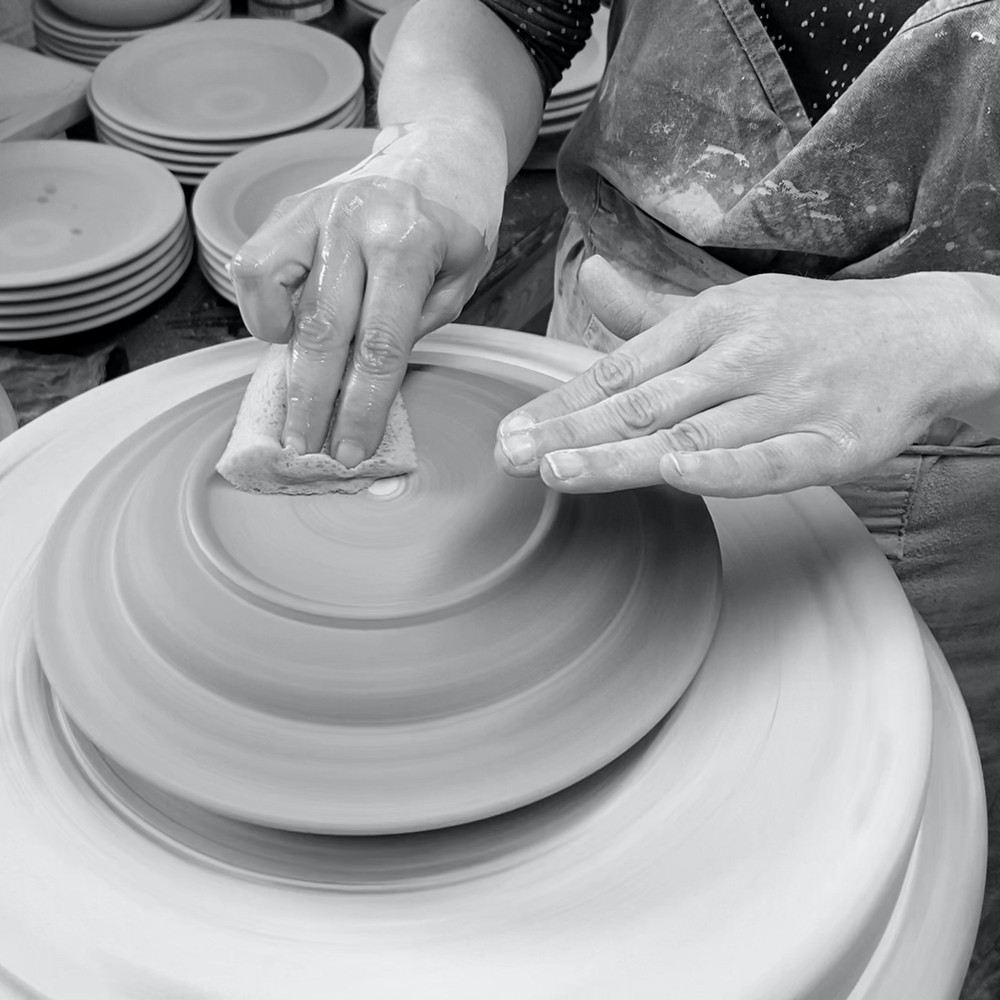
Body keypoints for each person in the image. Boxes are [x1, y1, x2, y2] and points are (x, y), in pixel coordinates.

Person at [229, 0, 1000, 994]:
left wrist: (961, 327)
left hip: (941, 438)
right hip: (607, 355)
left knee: (839, 897)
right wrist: (446, 134)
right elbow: (509, 15)